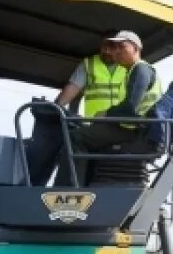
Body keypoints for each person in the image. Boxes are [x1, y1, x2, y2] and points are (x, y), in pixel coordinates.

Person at [24, 29, 124, 185]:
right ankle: (63, 188)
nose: (105, 50)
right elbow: (72, 88)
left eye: (111, 46)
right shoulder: (89, 64)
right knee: (71, 139)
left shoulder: (132, 68)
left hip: (121, 125)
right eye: (103, 45)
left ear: (121, 47)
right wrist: (55, 109)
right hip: (95, 127)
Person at [65, 29, 162, 184]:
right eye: (114, 47)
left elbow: (129, 108)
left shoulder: (141, 70)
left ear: (136, 48)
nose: (116, 51)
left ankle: (71, 189)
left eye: (121, 47)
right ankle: (88, 183)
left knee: (74, 137)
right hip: (134, 128)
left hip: (135, 131)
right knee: (87, 135)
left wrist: (104, 115)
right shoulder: (132, 71)